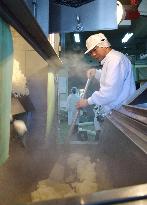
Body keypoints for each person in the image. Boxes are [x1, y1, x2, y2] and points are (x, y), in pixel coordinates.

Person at [76, 33, 136, 116]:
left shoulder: (115, 60)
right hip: (118, 111)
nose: (93, 54)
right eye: (90, 52)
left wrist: (87, 101)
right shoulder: (110, 60)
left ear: (104, 45)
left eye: (95, 50)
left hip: (122, 112)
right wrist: (96, 72)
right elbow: (112, 79)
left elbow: (109, 92)